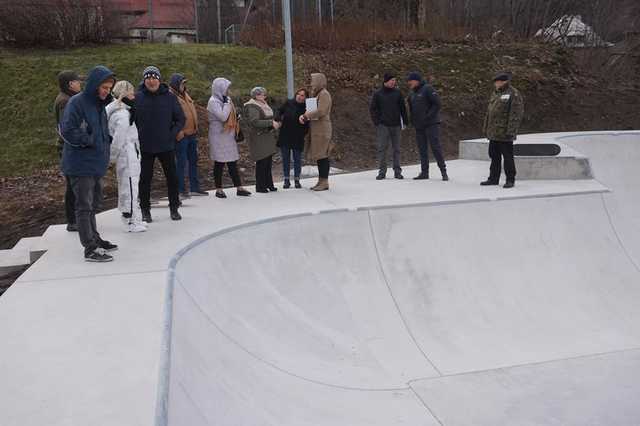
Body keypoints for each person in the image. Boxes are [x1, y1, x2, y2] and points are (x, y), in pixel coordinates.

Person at [60, 65, 118, 262]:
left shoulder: (99, 105)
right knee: (84, 205)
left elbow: (100, 130)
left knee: (93, 204)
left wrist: (105, 140)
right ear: (94, 85)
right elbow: (67, 130)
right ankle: (90, 248)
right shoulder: (77, 103)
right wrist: (90, 140)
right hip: (80, 164)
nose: (106, 92)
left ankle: (95, 237)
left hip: (95, 163)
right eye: (104, 87)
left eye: (109, 88)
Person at [135, 66, 185, 223]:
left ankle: (174, 208)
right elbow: (129, 120)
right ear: (144, 80)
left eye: (154, 77)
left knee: (172, 178)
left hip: (166, 145)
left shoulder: (169, 97)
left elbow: (180, 118)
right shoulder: (137, 97)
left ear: (159, 79)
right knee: (144, 179)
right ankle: (145, 210)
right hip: (145, 146)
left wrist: (172, 134)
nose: (151, 81)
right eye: (148, 78)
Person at [106, 81, 147, 233]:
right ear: (124, 94)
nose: (134, 95)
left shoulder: (126, 111)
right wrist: (112, 156)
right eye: (130, 93)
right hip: (126, 155)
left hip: (131, 152)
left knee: (132, 186)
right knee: (129, 187)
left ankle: (135, 217)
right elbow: (118, 139)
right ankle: (130, 221)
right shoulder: (122, 114)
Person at [207, 77, 251, 199]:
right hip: (218, 135)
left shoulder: (226, 99)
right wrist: (227, 104)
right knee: (219, 163)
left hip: (228, 134)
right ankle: (219, 189)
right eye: (226, 88)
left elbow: (229, 114)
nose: (228, 91)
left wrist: (236, 115)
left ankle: (239, 187)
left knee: (232, 161)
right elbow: (222, 116)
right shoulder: (213, 101)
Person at [481, 71, 525, 189]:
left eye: (497, 82)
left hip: (505, 133)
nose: (495, 84)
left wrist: (511, 131)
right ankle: (493, 178)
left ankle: (510, 179)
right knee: (494, 156)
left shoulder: (513, 94)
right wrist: (486, 127)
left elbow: (515, 115)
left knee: (507, 157)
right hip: (494, 132)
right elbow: (489, 113)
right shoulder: (495, 93)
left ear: (504, 82)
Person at [168, 73, 208, 199]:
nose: (184, 85)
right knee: (181, 163)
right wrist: (176, 131)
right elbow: (168, 116)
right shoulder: (170, 96)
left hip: (191, 134)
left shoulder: (185, 94)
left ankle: (194, 187)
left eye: (185, 83)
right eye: (182, 83)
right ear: (176, 84)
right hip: (182, 135)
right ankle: (180, 189)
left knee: (193, 161)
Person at [54, 70, 83, 232]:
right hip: (68, 147)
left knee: (75, 184)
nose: (80, 84)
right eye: (78, 81)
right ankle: (72, 220)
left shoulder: (68, 98)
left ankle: (75, 218)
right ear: (70, 84)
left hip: (69, 147)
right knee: (73, 185)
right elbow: (67, 129)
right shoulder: (65, 101)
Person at [406, 72, 449, 181]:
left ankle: (443, 172)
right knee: (422, 149)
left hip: (431, 124)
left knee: (435, 147)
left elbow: (437, 104)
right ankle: (424, 172)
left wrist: (428, 117)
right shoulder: (412, 94)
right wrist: (412, 121)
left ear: (417, 80)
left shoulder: (427, 89)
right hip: (419, 126)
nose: (409, 83)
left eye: (410, 81)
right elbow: (411, 109)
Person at [370, 73, 408, 180]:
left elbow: (403, 108)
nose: (393, 82)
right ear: (386, 81)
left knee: (397, 149)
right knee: (382, 149)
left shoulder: (398, 93)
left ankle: (397, 171)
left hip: (396, 125)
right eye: (392, 80)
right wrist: (377, 121)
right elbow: (373, 109)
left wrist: (405, 122)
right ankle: (382, 172)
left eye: (394, 80)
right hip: (383, 125)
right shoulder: (378, 94)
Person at [300, 73, 333, 191]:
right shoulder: (318, 93)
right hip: (317, 128)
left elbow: (321, 111)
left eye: (313, 80)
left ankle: (324, 182)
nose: (311, 83)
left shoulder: (324, 94)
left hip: (322, 129)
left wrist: (306, 115)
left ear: (319, 81)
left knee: (322, 155)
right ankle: (321, 180)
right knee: (319, 156)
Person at [243, 87, 280, 193]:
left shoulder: (263, 104)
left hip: (266, 136)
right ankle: (260, 186)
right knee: (262, 161)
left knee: (268, 162)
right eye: (263, 94)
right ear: (257, 95)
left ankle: (269, 184)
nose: (265, 96)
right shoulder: (252, 106)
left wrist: (274, 123)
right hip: (259, 137)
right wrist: (271, 123)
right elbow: (254, 122)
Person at [276, 88, 308, 189]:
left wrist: (305, 125)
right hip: (285, 134)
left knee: (297, 159)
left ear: (306, 98)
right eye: (298, 94)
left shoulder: (307, 107)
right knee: (285, 158)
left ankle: (297, 180)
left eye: (302, 95)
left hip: (298, 136)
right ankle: (286, 180)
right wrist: (278, 120)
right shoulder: (288, 103)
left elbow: (310, 121)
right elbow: (279, 111)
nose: (299, 96)